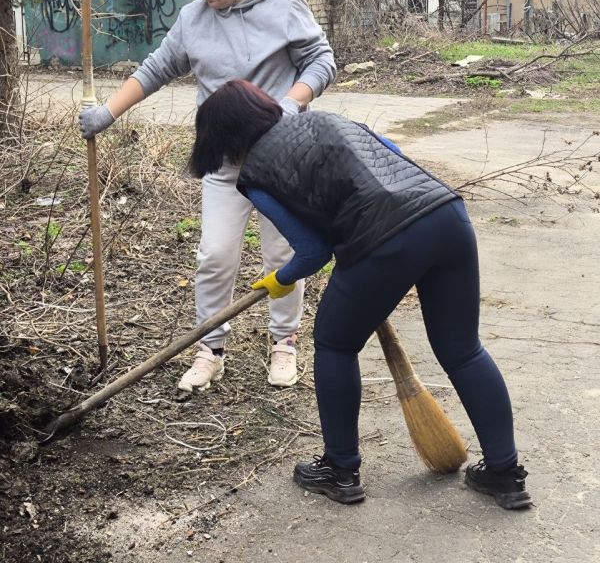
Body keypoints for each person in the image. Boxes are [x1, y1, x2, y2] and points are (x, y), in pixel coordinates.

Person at [188, 79, 533, 511]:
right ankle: (505, 472)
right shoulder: (327, 120)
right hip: (445, 215)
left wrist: (281, 278)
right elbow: (395, 157)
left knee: (334, 343)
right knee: (463, 351)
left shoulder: (255, 175)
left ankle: (341, 469)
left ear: (223, 140)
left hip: (383, 242)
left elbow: (312, 252)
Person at [79, 0, 336, 391]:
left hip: (281, 157)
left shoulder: (284, 8)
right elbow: (157, 67)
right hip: (223, 160)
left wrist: (291, 104)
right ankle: (210, 348)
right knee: (215, 255)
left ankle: (284, 342)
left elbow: (321, 59)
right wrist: (109, 113)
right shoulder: (194, 18)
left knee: (281, 253)